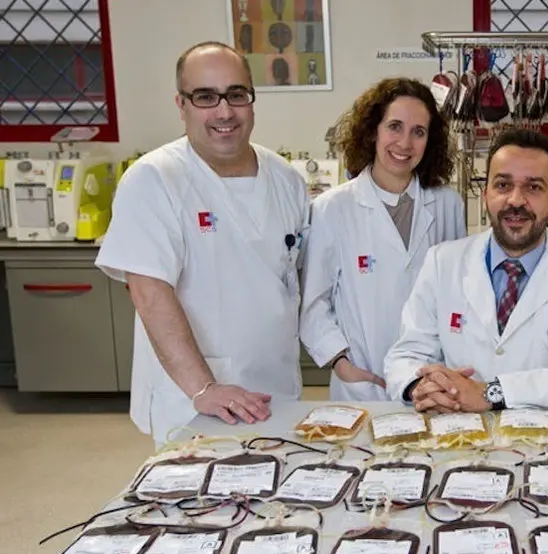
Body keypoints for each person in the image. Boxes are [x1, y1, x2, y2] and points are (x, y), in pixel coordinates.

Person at [95, 42, 309, 445]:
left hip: (275, 385)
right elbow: (148, 292)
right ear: (182, 104)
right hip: (195, 395)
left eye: (236, 95)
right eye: (206, 97)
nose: (224, 111)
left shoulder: (287, 179)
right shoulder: (154, 180)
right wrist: (203, 389)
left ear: (251, 100)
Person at [383, 129, 548, 412]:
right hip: (455, 438)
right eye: (502, 185)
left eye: (533, 187)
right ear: (486, 193)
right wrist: (425, 387)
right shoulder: (442, 263)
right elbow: (405, 355)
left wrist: (492, 393)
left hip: (542, 445)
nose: (515, 200)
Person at [300, 78, 466, 401]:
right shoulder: (332, 208)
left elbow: (457, 296)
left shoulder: (447, 204)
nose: (405, 143)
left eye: (419, 131)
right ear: (372, 130)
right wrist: (340, 362)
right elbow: (314, 303)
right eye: (394, 126)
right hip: (364, 382)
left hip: (431, 383)